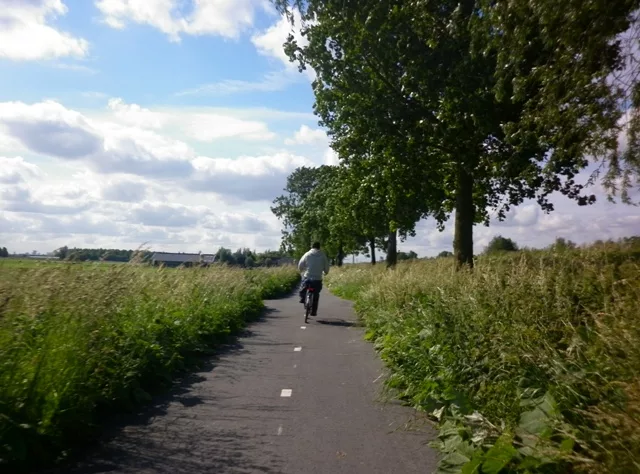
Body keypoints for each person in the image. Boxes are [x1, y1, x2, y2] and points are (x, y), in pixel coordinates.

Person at [297, 242, 330, 316]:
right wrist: (325, 272)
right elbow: (326, 267)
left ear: (312, 246)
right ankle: (313, 311)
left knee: (303, 287)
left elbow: (300, 265)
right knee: (316, 294)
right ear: (319, 247)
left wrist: (301, 269)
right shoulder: (323, 255)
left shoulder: (307, 254)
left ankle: (302, 298)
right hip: (317, 279)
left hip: (308, 277)